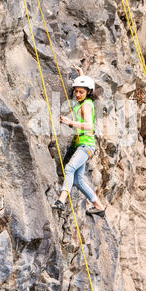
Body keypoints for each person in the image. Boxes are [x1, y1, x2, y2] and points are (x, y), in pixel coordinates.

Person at [52, 65, 106, 218]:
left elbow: (90, 126)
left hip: (86, 144)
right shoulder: (84, 102)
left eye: (81, 92)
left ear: (88, 92)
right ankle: (98, 206)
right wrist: (81, 73)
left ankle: (61, 200)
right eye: (76, 91)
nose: (77, 94)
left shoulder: (87, 105)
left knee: (69, 168)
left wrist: (70, 123)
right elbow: (86, 86)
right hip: (82, 144)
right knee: (78, 180)